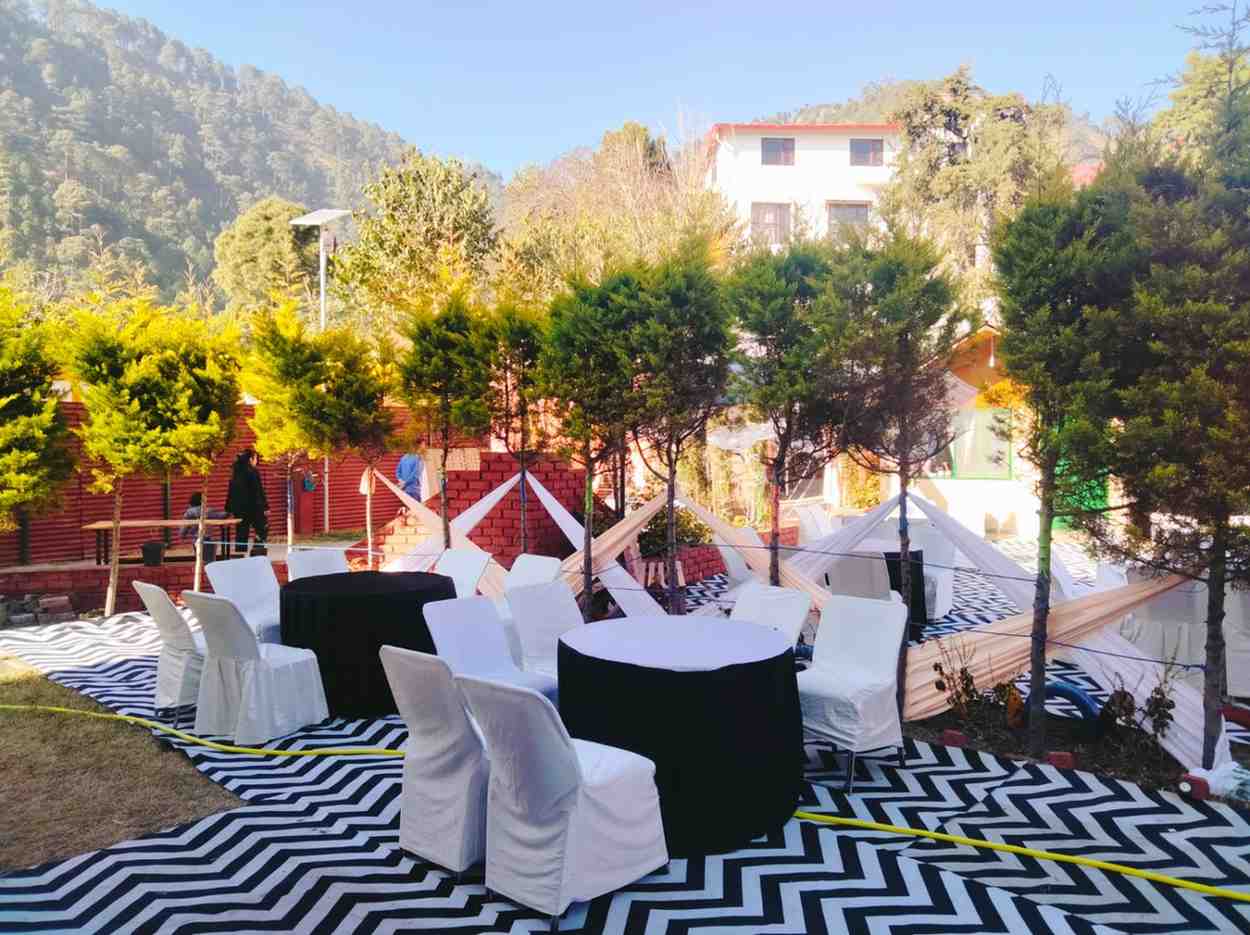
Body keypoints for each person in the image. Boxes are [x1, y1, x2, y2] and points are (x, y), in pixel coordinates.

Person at [225, 449, 269, 556]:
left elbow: (231, 491)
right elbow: (258, 490)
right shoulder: (253, 472)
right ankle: (257, 552)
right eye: (256, 458)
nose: (257, 461)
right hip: (254, 508)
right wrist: (265, 506)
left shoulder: (235, 472)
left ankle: (240, 556)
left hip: (239, 509)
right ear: (250, 459)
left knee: (241, 533)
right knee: (262, 529)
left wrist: (228, 508)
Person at [180, 492, 227, 562]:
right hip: (209, 540)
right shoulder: (208, 510)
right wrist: (229, 513)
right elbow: (220, 515)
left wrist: (182, 535)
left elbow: (184, 526)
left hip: (196, 540)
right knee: (210, 561)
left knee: (200, 561)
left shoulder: (189, 512)